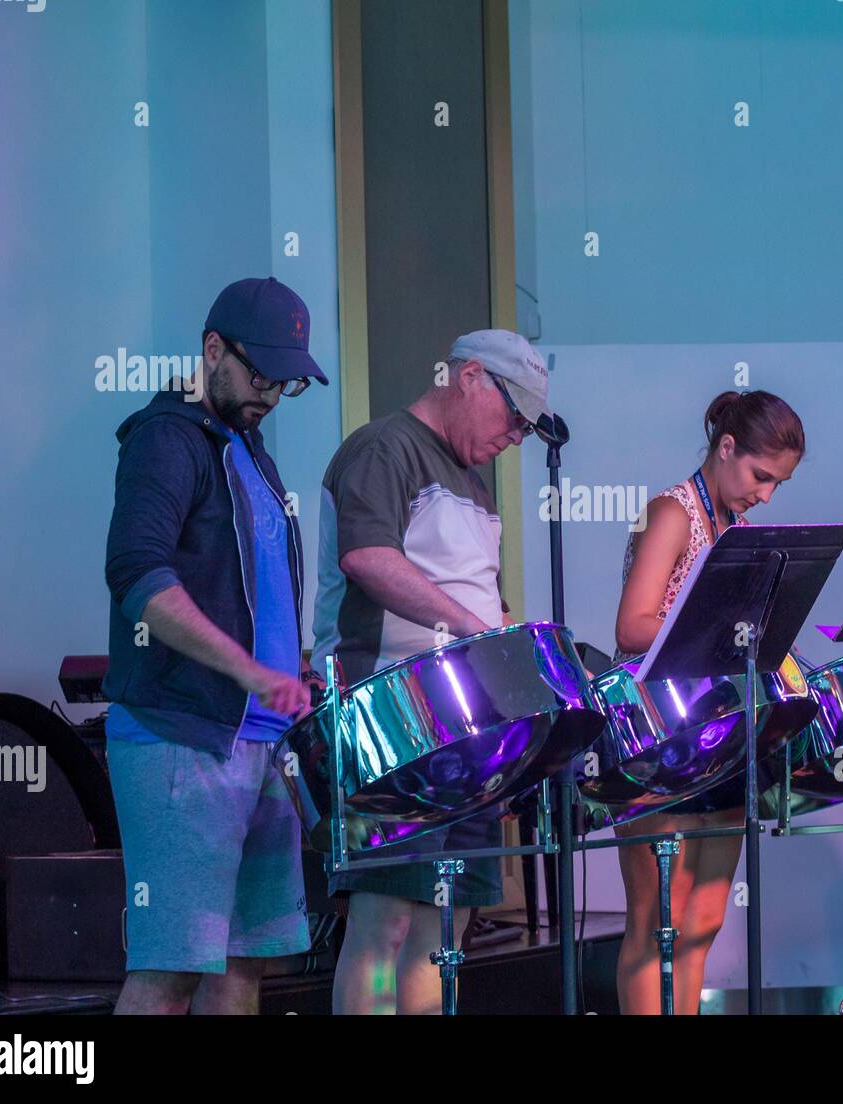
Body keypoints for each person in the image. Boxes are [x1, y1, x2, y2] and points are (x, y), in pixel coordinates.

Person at [103, 276, 328, 1013]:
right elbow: (138, 576)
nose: (269, 390)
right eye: (258, 371)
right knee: (169, 970)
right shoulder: (166, 438)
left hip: (256, 744)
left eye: (284, 381)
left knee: (242, 967)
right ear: (211, 350)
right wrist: (250, 671)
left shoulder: (249, 451)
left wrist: (287, 670)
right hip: (182, 738)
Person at [312, 329, 550, 1014]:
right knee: (382, 919)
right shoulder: (382, 448)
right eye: (515, 416)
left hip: (466, 731)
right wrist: (479, 634)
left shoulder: (475, 484)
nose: (518, 435)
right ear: (470, 377)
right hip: (392, 718)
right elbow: (368, 560)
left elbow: (480, 595)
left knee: (441, 925)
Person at [612, 389, 805, 1014]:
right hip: (658, 735)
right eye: (760, 476)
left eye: (778, 484)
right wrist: (723, 633)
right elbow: (631, 627)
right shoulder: (672, 512)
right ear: (726, 448)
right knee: (658, 919)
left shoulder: (739, 531)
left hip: (721, 734)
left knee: (704, 917)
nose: (766, 494)